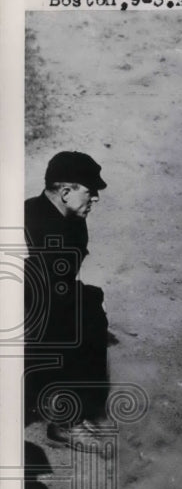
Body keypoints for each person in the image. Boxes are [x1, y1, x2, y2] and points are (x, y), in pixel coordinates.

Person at [24, 151, 111, 452]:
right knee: (77, 320)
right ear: (65, 192)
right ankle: (64, 422)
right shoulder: (32, 226)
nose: (96, 198)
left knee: (86, 306)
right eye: (91, 191)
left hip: (33, 299)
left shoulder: (71, 221)